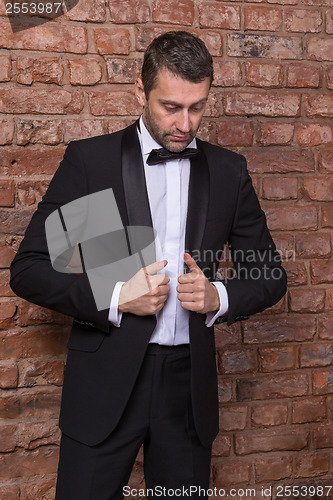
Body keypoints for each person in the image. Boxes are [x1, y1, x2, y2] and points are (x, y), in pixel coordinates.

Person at [10, 31, 287, 499]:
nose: (185, 123)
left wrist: (218, 295)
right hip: (105, 382)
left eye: (196, 107)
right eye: (170, 107)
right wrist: (118, 295)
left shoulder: (227, 171)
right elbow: (32, 268)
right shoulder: (92, 164)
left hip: (187, 391)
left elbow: (269, 273)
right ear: (140, 92)